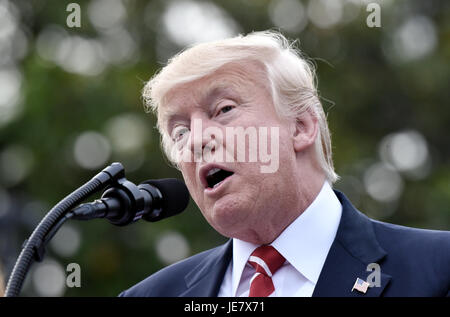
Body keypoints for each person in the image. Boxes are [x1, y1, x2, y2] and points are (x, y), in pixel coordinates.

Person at [119, 31, 450, 297]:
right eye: (180, 131)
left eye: (223, 110)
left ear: (301, 126)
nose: (196, 141)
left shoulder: (438, 268)